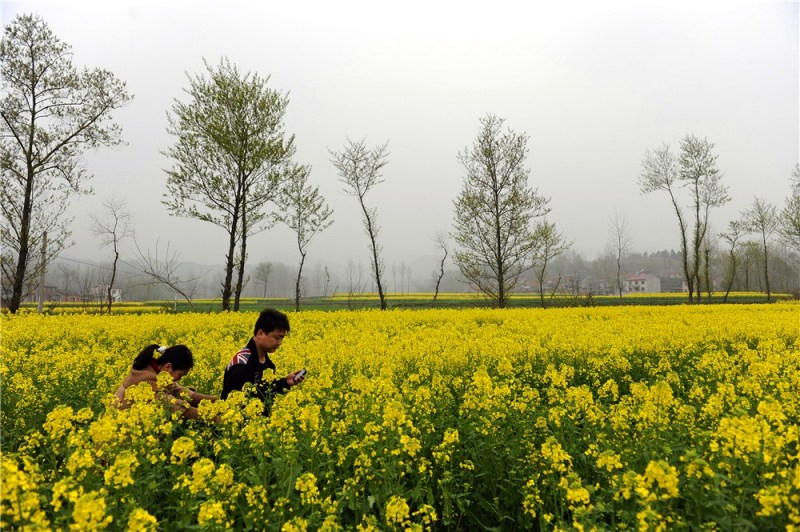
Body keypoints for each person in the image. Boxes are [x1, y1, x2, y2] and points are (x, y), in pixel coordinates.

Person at [221, 308, 305, 412]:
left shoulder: (268, 364)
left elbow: (264, 391)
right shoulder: (241, 365)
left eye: (282, 338)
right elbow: (230, 404)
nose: (279, 343)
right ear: (260, 334)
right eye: (277, 337)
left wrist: (285, 382)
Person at [114, 344, 218, 420]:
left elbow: (183, 392)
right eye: (180, 375)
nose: (180, 379)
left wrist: (219, 401)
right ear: (168, 367)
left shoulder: (157, 371)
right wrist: (220, 420)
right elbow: (180, 409)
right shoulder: (146, 382)